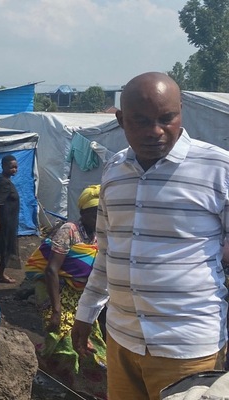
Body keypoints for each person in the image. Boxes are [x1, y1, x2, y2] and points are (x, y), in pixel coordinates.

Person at [71, 72, 229, 400]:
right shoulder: (114, 171)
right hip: (122, 339)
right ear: (121, 120)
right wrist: (85, 314)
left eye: (166, 118)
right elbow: (107, 253)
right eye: (141, 121)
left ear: (181, 111)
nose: (155, 131)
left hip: (187, 347)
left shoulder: (217, 168)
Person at [24, 185, 106, 399]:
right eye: (94, 213)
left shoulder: (100, 235)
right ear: (83, 213)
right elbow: (51, 270)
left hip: (80, 295)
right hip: (55, 290)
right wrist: (56, 310)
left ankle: (82, 385)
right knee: (63, 340)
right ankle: (46, 371)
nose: (98, 218)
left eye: (102, 213)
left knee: (89, 341)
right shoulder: (69, 230)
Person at [0, 154, 20, 284]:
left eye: (16, 167)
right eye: (11, 167)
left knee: (2, 246)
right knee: (5, 247)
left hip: (7, 220)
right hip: (5, 222)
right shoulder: (4, 182)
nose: (14, 170)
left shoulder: (1, 178)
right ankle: (0, 274)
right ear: (3, 166)